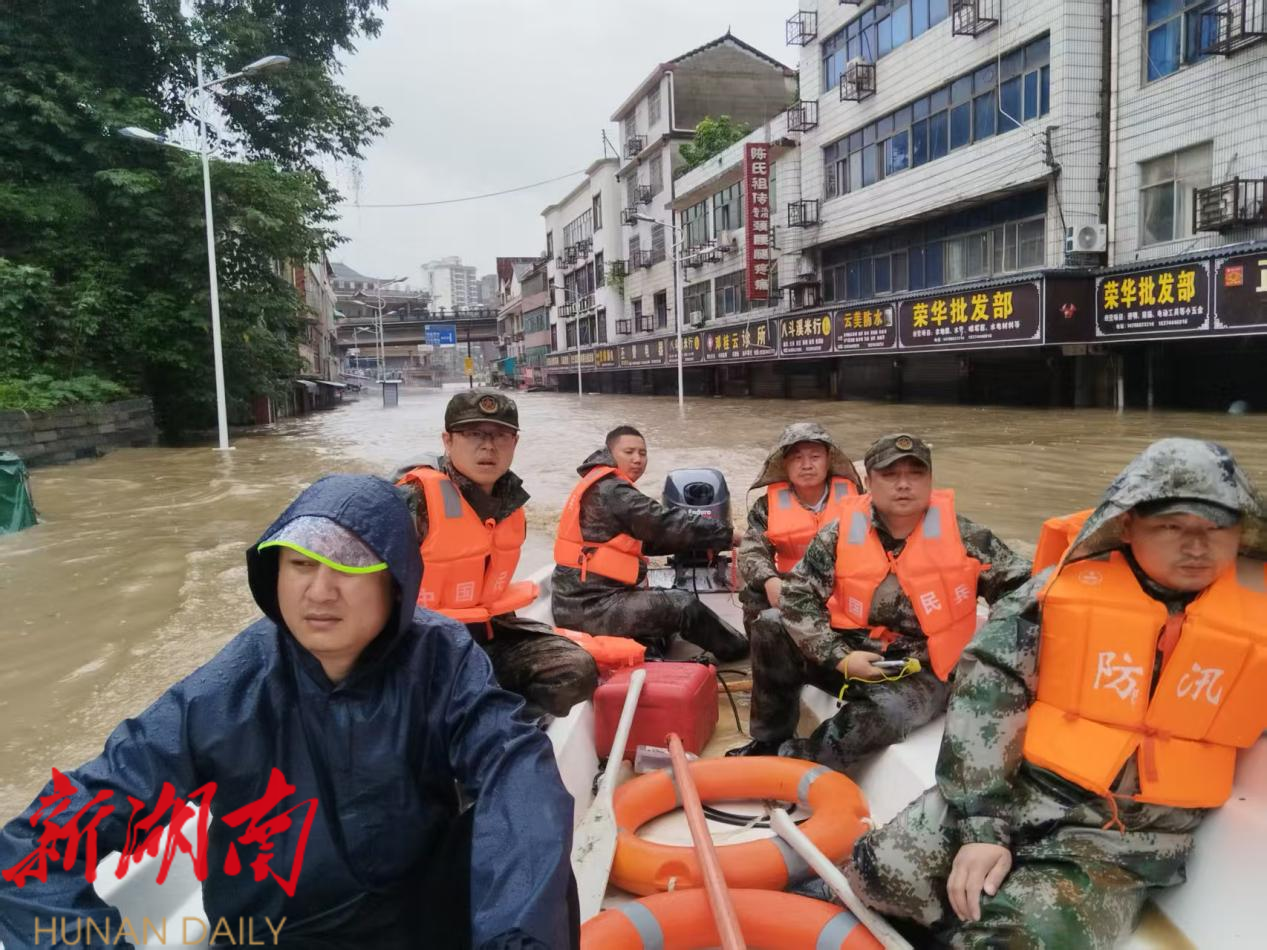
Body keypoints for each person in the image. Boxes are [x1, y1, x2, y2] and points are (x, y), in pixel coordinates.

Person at [0, 474, 577, 950]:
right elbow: (37, 845)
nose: (319, 592)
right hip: (277, 933)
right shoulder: (228, 690)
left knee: (534, 845)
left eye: (349, 564)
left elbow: (512, 765)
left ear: (396, 582)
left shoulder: (441, 657)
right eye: (300, 564)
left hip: (414, 920)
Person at [839, 437, 1267, 949]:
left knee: (1021, 940)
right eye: (1173, 527)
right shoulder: (1051, 596)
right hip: (1022, 788)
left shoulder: (1258, 614)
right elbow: (986, 700)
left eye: (1216, 529)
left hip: (1125, 838)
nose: (1197, 547)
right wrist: (983, 830)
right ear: (1127, 525)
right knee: (879, 874)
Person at [729, 433, 1029, 762]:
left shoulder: (968, 538)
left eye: (916, 474)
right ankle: (769, 740)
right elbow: (798, 596)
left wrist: (988, 654)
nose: (904, 484)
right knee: (770, 624)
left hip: (921, 668)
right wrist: (839, 656)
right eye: (890, 474)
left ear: (930, 480)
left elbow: (1024, 591)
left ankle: (801, 758)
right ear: (870, 482)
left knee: (889, 711)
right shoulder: (840, 532)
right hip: (852, 649)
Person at [395, 390, 597, 720]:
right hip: (420, 647)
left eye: (500, 435)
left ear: (514, 443)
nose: (488, 446)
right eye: (474, 434)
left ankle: (501, 727)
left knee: (575, 670)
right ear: (448, 441)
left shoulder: (510, 504)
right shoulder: (414, 500)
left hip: (487, 637)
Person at [551, 425, 749, 660]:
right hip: (589, 606)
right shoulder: (613, 490)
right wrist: (729, 535)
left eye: (642, 453)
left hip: (585, 601)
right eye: (629, 452)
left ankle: (650, 657)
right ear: (610, 453)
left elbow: (648, 542)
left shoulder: (603, 484)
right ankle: (742, 653)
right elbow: (663, 523)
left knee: (663, 611)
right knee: (682, 604)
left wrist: (705, 541)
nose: (637, 459)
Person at [736, 420, 864, 632]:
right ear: (784, 464)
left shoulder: (858, 500)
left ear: (828, 460)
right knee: (754, 594)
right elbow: (752, 550)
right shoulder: (766, 506)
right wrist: (770, 580)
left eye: (815, 457)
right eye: (797, 458)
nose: (807, 465)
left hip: (844, 585)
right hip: (789, 586)